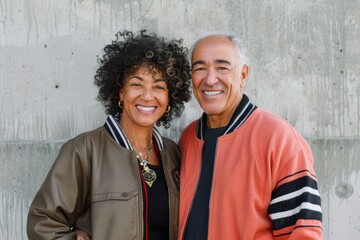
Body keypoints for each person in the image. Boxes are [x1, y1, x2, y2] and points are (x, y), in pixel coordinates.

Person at [27, 29, 192, 240]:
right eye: (136, 84)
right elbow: (42, 223)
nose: (148, 96)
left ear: (170, 99)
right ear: (120, 93)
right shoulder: (84, 151)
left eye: (159, 87)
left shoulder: (173, 153)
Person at [177, 34, 323, 239]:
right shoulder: (188, 138)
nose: (210, 79)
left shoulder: (278, 138)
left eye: (222, 68)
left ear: (243, 75)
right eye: (200, 68)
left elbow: (302, 232)